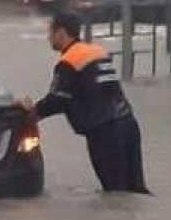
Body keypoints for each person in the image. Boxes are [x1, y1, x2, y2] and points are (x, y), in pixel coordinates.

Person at [20, 12, 151, 195]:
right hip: (128, 125)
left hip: (105, 133)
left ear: (61, 33)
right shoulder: (98, 52)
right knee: (135, 190)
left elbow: (58, 99)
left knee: (115, 193)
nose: (48, 37)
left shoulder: (68, 61)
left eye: (50, 32)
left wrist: (31, 113)